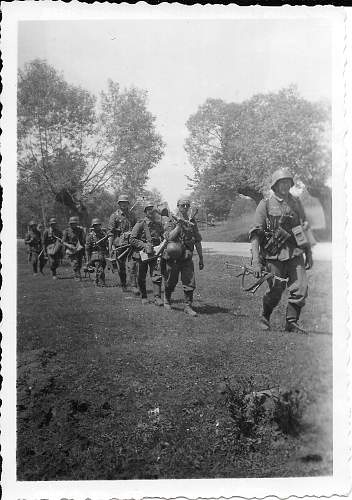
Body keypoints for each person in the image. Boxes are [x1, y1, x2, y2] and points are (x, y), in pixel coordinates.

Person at [249, 168, 313, 334]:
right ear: (275, 185)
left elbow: (304, 228)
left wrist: (309, 253)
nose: (285, 185)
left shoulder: (296, 202)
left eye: (288, 182)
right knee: (275, 291)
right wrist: (256, 261)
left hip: (295, 252)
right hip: (273, 254)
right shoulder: (265, 204)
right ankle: (264, 316)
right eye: (281, 182)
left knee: (301, 287)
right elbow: (256, 234)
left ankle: (291, 322)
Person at [163, 197, 204, 316]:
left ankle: (188, 306)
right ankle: (167, 298)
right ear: (178, 206)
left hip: (187, 257)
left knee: (189, 282)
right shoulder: (171, 219)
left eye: (187, 205)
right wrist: (179, 225)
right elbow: (169, 237)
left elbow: (197, 240)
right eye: (182, 205)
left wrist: (201, 258)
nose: (185, 207)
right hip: (173, 257)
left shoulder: (192, 221)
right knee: (171, 281)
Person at [130, 201, 165, 306]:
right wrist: (144, 245)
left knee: (156, 275)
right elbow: (132, 239)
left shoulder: (158, 224)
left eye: (152, 209)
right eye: (148, 210)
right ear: (145, 212)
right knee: (141, 276)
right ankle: (144, 296)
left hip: (154, 253)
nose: (151, 211)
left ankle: (157, 298)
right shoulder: (140, 223)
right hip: (142, 254)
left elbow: (163, 236)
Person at [108, 194, 139, 293]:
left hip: (131, 244)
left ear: (128, 204)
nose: (123, 204)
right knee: (121, 267)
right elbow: (110, 233)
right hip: (119, 245)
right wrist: (110, 247)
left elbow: (137, 228)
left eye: (125, 203)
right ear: (119, 204)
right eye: (121, 203)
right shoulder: (114, 216)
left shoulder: (132, 215)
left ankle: (134, 286)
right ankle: (123, 284)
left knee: (132, 265)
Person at [85, 218, 108, 286]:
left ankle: (96, 281)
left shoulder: (103, 234)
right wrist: (88, 260)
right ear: (93, 226)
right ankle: (102, 283)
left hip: (103, 254)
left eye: (98, 225)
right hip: (95, 254)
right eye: (95, 225)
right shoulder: (90, 236)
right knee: (100, 269)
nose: (97, 227)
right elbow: (87, 248)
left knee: (101, 268)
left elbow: (107, 243)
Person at [62, 216, 86, 281]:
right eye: (72, 223)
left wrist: (83, 247)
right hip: (71, 249)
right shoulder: (66, 231)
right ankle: (77, 276)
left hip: (79, 248)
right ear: (70, 224)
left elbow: (83, 240)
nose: (73, 225)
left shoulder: (80, 230)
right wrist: (69, 245)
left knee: (79, 263)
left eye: (75, 223)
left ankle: (77, 273)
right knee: (75, 263)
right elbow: (63, 241)